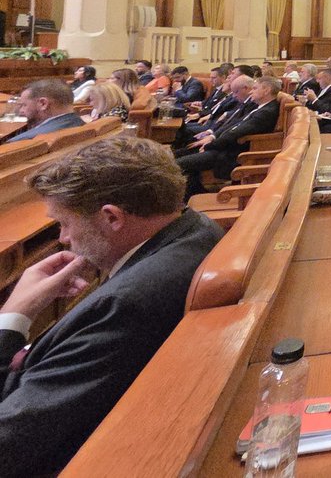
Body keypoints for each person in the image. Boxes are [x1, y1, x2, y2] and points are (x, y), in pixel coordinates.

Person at [0, 137, 223, 475]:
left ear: (112, 217)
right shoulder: (195, 228)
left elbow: (12, 439)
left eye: (64, 222)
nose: (63, 238)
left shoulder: (127, 303)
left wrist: (13, 317)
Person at [176, 76, 282, 197]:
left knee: (179, 164)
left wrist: (210, 145)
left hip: (232, 154)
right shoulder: (261, 107)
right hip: (224, 147)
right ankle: (195, 192)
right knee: (182, 154)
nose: (251, 91)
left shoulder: (267, 112)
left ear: (267, 90)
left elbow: (236, 133)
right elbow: (234, 125)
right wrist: (212, 138)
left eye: (255, 88)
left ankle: (187, 197)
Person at [0, 80, 85, 145]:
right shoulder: (81, 124)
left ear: (43, 103)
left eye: (24, 105)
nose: (21, 111)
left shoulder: (23, 142)